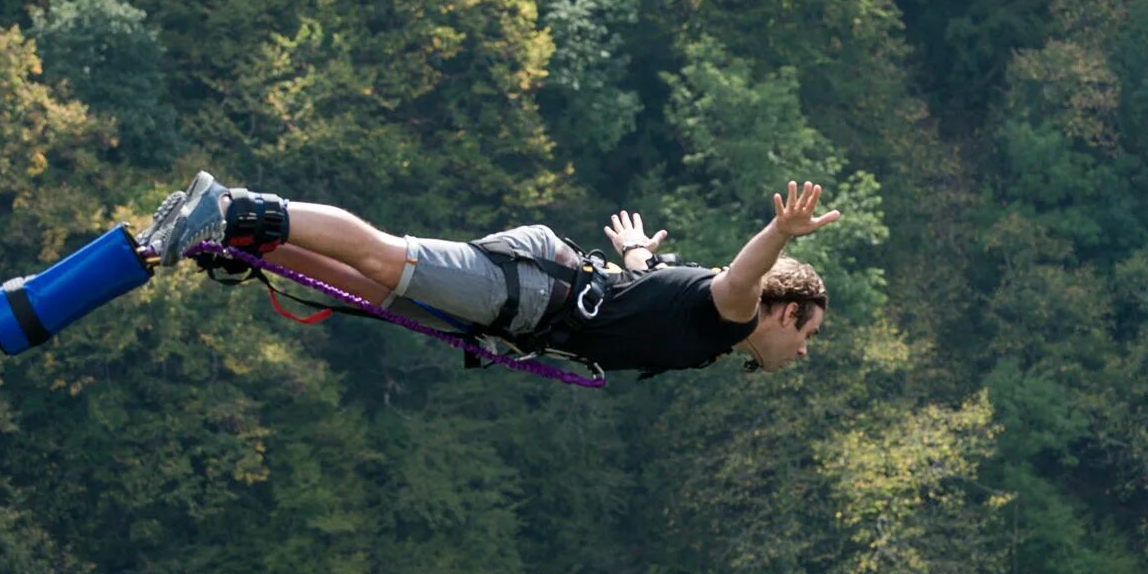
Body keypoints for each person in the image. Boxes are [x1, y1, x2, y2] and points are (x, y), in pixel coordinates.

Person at [139, 172, 839, 377]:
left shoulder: (708, 324)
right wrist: (778, 233)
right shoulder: (736, 309)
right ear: (781, 312)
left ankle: (234, 240)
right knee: (387, 256)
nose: (803, 350)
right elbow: (743, 278)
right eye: (806, 334)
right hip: (534, 286)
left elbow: (647, 275)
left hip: (528, 304)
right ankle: (235, 208)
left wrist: (636, 253)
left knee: (372, 287)